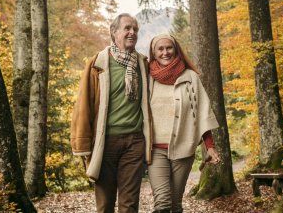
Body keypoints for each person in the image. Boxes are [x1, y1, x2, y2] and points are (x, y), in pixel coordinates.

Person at [70, 13, 152, 213]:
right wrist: (82, 145)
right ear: (114, 32)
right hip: (104, 142)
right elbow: (84, 105)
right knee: (105, 204)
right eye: (127, 28)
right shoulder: (97, 63)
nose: (132, 32)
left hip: (134, 141)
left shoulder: (142, 63)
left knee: (129, 204)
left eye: (135, 29)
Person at [147, 33, 221, 213]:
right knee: (162, 203)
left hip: (183, 149)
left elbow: (201, 112)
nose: (165, 52)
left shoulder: (190, 77)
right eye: (160, 49)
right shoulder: (147, 78)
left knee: (175, 204)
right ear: (154, 52)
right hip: (155, 150)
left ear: (176, 49)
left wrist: (209, 146)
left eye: (169, 48)